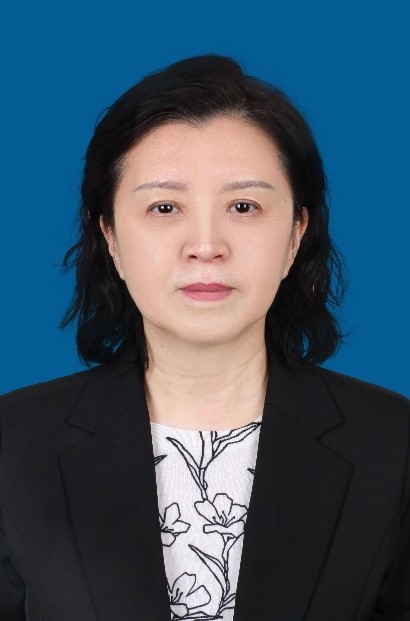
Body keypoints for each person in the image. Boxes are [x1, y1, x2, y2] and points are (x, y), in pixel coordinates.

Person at [0, 53, 409, 621]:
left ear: (296, 234)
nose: (206, 246)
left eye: (243, 206)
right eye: (165, 207)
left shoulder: (393, 444)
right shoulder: (14, 444)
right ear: (110, 237)